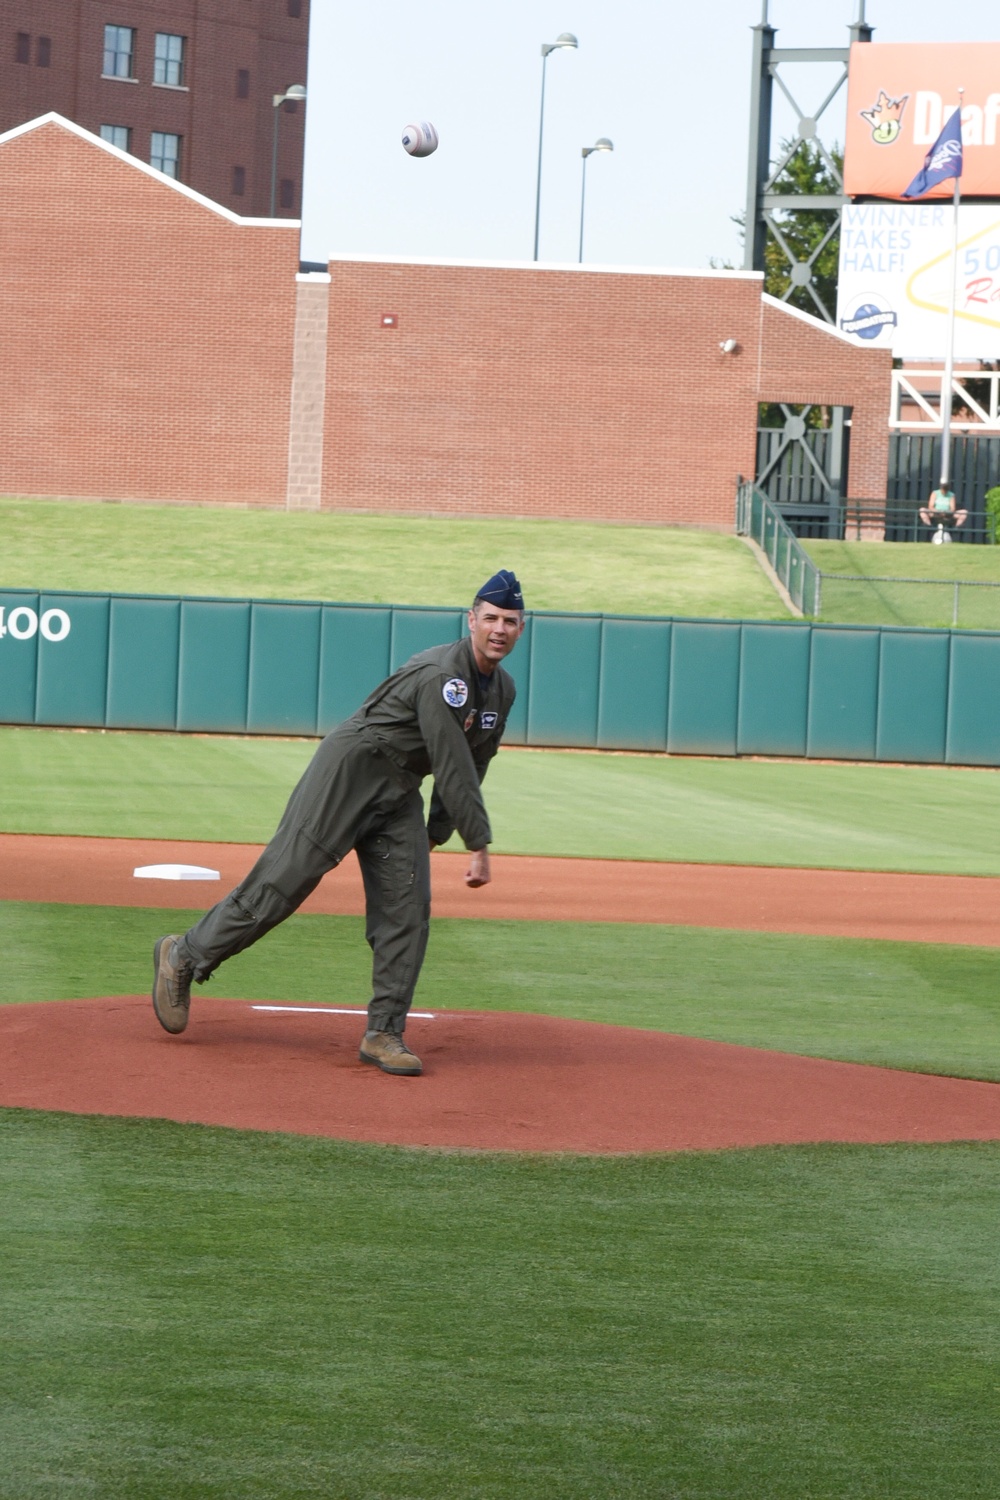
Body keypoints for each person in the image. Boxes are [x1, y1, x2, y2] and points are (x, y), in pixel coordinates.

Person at [151, 570, 526, 1076]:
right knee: (284, 882)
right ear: (471, 620)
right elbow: (451, 759)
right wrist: (477, 842)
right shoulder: (445, 677)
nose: (499, 629)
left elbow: (474, 761)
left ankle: (384, 1032)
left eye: (510, 621)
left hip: (399, 791)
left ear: (522, 628)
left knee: (407, 908)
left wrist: (436, 831)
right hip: (353, 768)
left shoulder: (501, 690)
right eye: (491, 619)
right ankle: (186, 955)